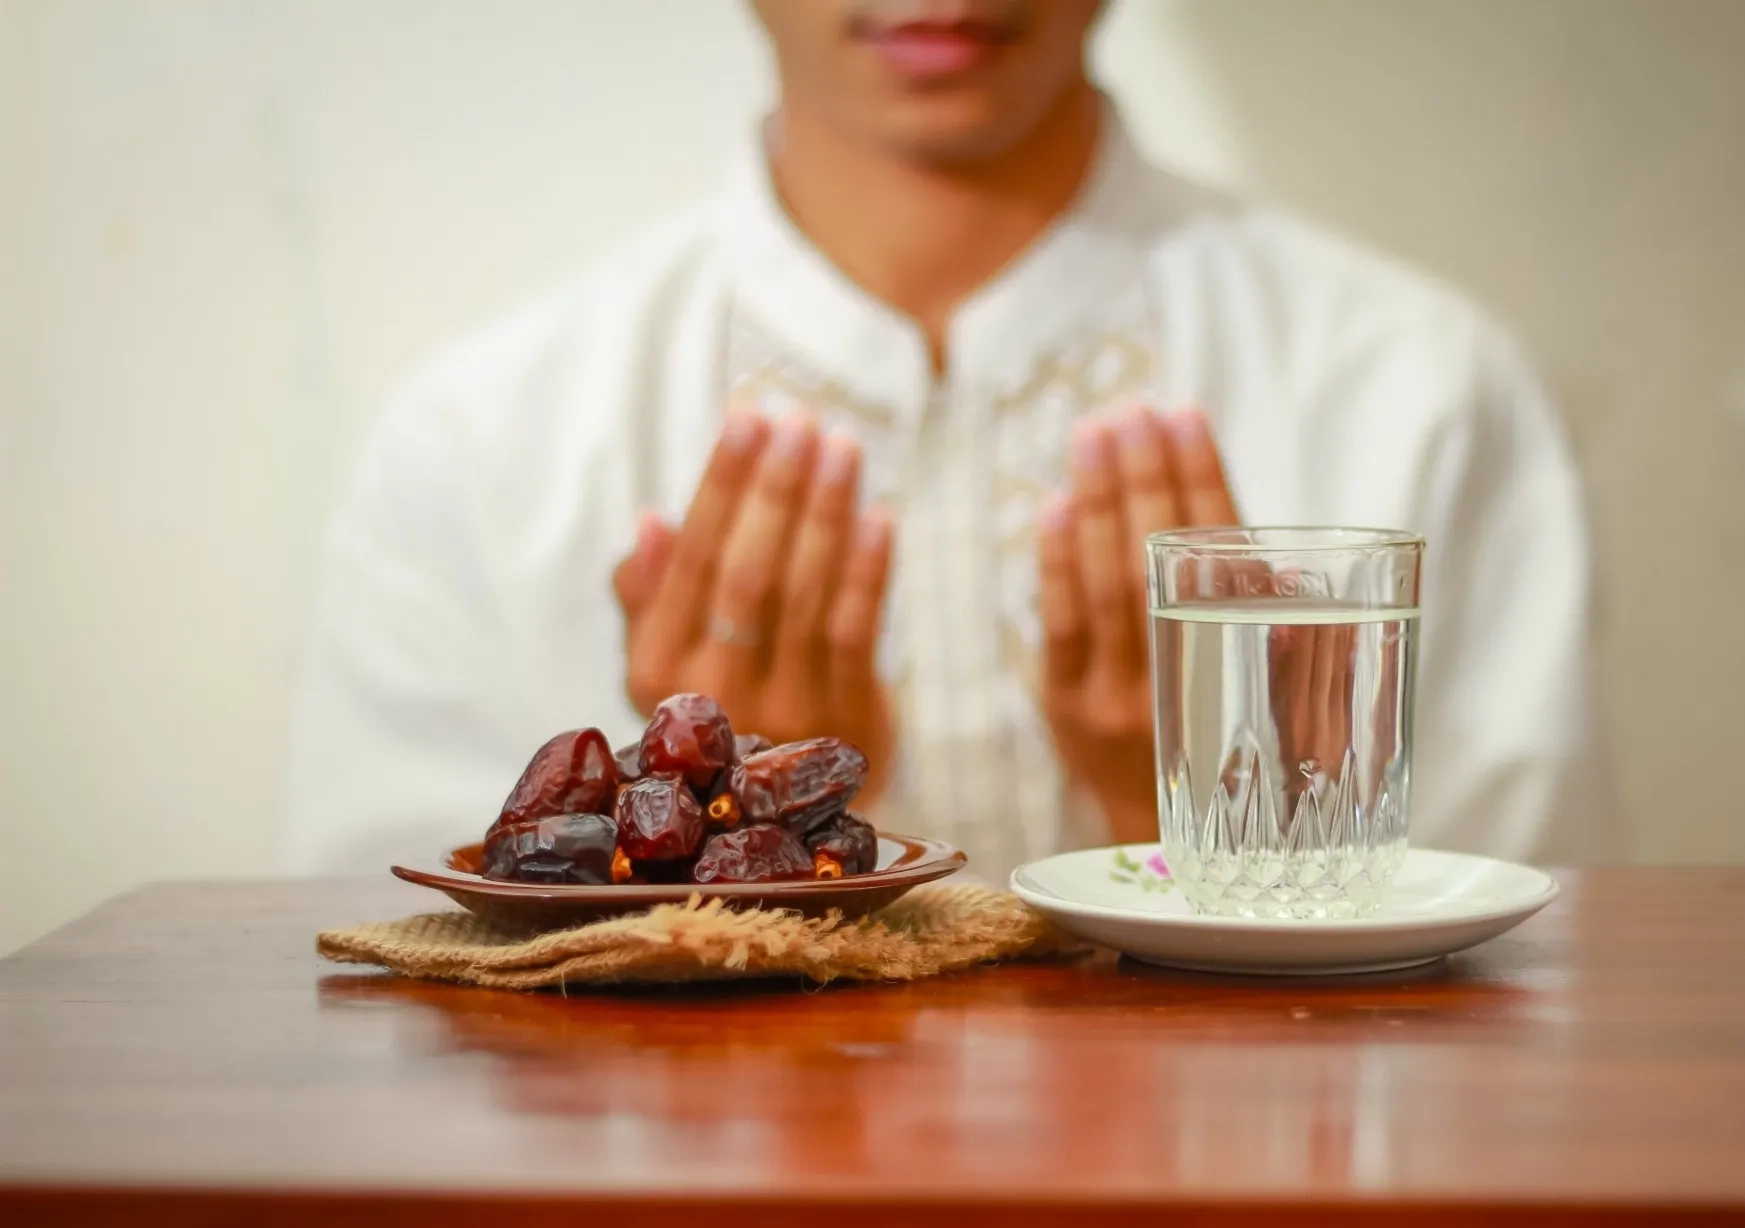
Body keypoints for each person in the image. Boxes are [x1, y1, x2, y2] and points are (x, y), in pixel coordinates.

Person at [279, 0, 1615, 878]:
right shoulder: (488, 436)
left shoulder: (1409, 389)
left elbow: (1543, 1006)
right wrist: (740, 846)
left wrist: (1206, 828)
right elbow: (394, 1047)